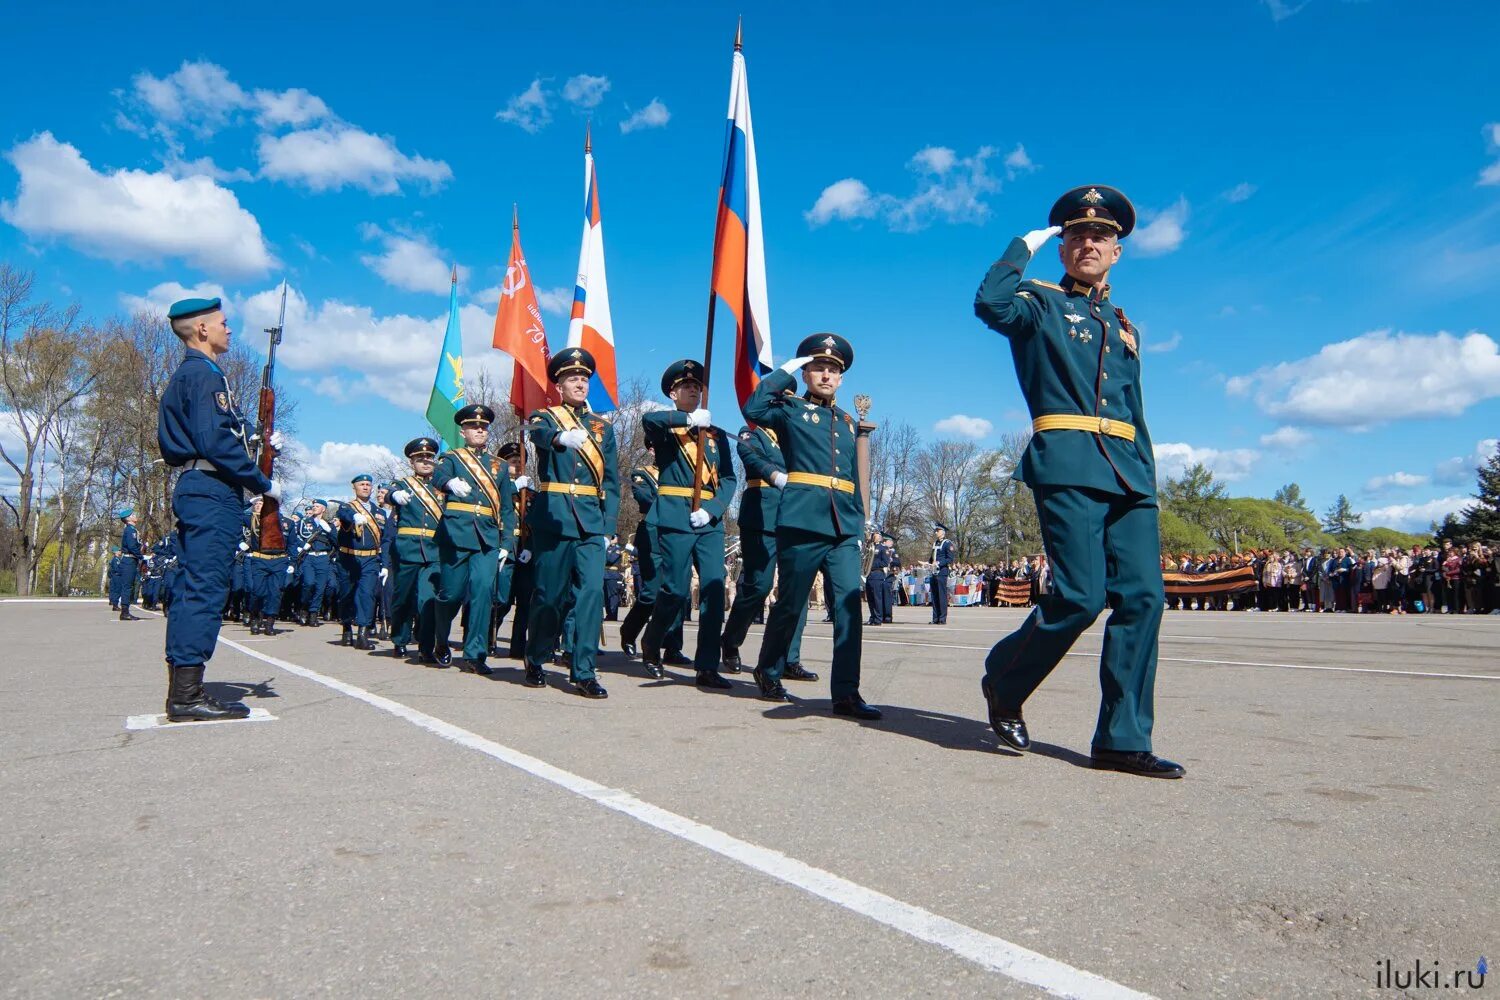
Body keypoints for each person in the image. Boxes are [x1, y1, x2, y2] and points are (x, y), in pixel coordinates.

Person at [972, 184, 1183, 778]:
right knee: (1080, 596)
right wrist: (1022, 246)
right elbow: (990, 304)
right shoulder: (1037, 303)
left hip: (1130, 471)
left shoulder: (1121, 322)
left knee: (1144, 598)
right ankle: (1005, 680)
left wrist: (1148, 476)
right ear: (1063, 247)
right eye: (1078, 235)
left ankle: (1121, 739)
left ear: (1118, 251)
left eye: (1102, 236)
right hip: (1068, 460)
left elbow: (1134, 408)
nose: (1090, 243)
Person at [743, 332, 881, 719]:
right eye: (818, 367)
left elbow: (850, 475)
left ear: (841, 378)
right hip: (803, 521)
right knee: (790, 603)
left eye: (833, 370)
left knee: (849, 608)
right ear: (806, 374)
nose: (826, 374)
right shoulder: (788, 409)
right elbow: (753, 409)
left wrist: (859, 521)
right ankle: (768, 670)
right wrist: (785, 370)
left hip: (842, 526)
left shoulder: (846, 421)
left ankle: (846, 694)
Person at [156, 296, 270, 722]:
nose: (229, 329)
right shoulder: (205, 375)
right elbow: (215, 440)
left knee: (192, 587)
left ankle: (184, 688)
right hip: (212, 490)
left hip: (197, 485)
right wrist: (261, 480)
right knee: (205, 589)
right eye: (223, 323)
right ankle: (186, 695)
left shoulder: (189, 375)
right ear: (202, 329)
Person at [523, 348, 619, 697]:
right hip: (556, 517)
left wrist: (608, 527)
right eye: (572, 378)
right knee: (550, 596)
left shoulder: (601, 428)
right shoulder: (545, 417)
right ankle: (536, 656)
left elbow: (611, 481)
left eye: (584, 378)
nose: (580, 383)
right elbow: (534, 434)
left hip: (591, 523)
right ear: (559, 385)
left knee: (592, 594)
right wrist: (558, 438)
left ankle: (584, 670)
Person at [638, 359, 737, 689]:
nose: (693, 390)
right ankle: (652, 643)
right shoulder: (667, 431)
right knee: (676, 589)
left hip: (708, 521)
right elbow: (647, 419)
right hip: (675, 516)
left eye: (697, 387)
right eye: (686, 387)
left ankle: (707, 666)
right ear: (673, 393)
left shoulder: (716, 435)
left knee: (712, 586)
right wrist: (686, 420)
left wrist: (713, 509)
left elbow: (727, 478)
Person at [721, 421, 817, 681]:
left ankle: (788, 658)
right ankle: (730, 641)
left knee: (796, 589)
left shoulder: (795, 434)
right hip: (761, 517)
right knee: (758, 586)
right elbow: (750, 457)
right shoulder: (752, 433)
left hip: (795, 517)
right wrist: (777, 476)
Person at [431, 406, 516, 675]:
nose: (480, 430)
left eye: (484, 427)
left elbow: (506, 509)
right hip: (457, 534)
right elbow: (437, 475)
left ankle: (475, 653)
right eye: (473, 426)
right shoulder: (452, 458)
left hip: (487, 538)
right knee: (451, 595)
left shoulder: (499, 466)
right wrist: (448, 484)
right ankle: (441, 639)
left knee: (482, 593)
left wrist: (506, 544)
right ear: (463, 431)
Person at [386, 437, 445, 661]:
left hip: (434, 550)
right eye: (420, 459)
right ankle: (400, 639)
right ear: (412, 462)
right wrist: (394, 496)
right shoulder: (403, 484)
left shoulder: (442, 486)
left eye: (429, 458)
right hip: (407, 549)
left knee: (428, 600)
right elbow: (389, 493)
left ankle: (426, 646)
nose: (426, 462)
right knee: (403, 598)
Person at [336, 474, 387, 650]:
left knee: (367, 594)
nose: (365, 487)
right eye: (361, 484)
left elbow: (385, 539)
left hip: (371, 559)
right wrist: (354, 517)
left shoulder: (379, 512)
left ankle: (363, 633)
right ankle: (346, 626)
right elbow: (343, 514)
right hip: (349, 558)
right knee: (347, 594)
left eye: (368, 484)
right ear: (354, 488)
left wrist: (385, 564)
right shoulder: (347, 507)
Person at [241, 496, 292, 635]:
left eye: (262, 502)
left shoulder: (286, 522)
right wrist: (249, 502)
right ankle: (255, 617)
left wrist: (292, 563)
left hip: (279, 560)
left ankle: (270, 622)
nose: (259, 505)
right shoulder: (251, 519)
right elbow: (235, 514)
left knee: (275, 593)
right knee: (257, 591)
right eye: (257, 503)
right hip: (260, 559)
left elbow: (292, 543)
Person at [296, 500, 337, 625]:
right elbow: (296, 537)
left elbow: (336, 542)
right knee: (308, 583)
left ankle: (313, 612)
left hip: (323, 558)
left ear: (323, 509)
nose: (314, 508)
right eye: (313, 506)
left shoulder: (329, 524)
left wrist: (329, 531)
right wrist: (303, 546)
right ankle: (304, 608)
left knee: (320, 587)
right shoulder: (304, 522)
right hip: (309, 556)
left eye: (317, 506)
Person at [116, 509, 143, 620]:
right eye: (133, 515)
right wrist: (141, 556)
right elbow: (132, 547)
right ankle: (124, 612)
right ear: (128, 519)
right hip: (129, 561)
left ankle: (125, 611)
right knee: (127, 587)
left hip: (131, 560)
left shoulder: (132, 530)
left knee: (129, 587)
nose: (135, 515)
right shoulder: (130, 531)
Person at [930, 523, 954, 624]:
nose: (936, 532)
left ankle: (942, 618)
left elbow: (950, 559)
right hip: (934, 572)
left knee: (941, 595)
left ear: (942, 532)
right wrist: (928, 563)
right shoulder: (935, 543)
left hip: (942, 572)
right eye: (936, 531)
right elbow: (932, 558)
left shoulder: (947, 543)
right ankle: (935, 618)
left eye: (937, 531)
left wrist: (939, 563)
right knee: (934, 596)